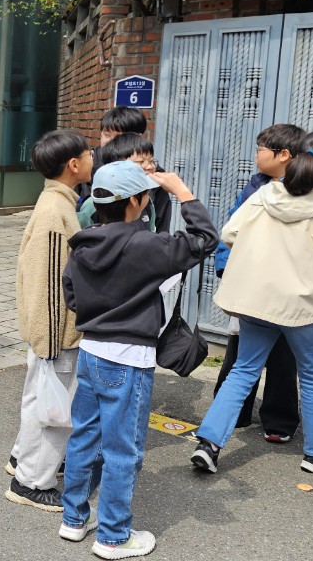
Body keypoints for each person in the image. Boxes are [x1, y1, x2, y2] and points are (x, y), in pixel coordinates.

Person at [60, 161, 216, 560]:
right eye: (145, 195)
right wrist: (183, 192)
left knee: (85, 437)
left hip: (91, 352)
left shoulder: (84, 242)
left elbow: (72, 295)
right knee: (122, 450)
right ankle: (113, 536)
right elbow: (205, 239)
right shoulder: (148, 245)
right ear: (135, 202)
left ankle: (74, 519)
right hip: (128, 359)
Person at [193, 129, 313, 476]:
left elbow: (229, 233)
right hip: (300, 307)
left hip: (256, 300)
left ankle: (209, 444)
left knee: (243, 371)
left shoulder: (265, 194)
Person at [5, 130, 92, 512]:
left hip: (51, 332)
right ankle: (31, 482)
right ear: (73, 164)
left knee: (38, 402)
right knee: (54, 413)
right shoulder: (56, 213)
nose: (92, 158)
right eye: (88, 154)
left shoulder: (57, 202)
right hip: (57, 333)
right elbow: (49, 283)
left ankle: (22, 461)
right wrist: (52, 343)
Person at [210, 124, 305, 444]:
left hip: (287, 291)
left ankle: (279, 420)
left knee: (283, 356)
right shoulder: (255, 186)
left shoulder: (309, 190)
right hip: (249, 286)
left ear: (283, 155)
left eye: (260, 149)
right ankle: (232, 414)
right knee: (239, 353)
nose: (255, 155)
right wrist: (225, 268)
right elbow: (230, 230)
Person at [76, 134, 170, 233]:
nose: (150, 166)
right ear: (115, 166)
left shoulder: (145, 201)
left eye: (151, 161)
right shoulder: (93, 206)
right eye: (140, 162)